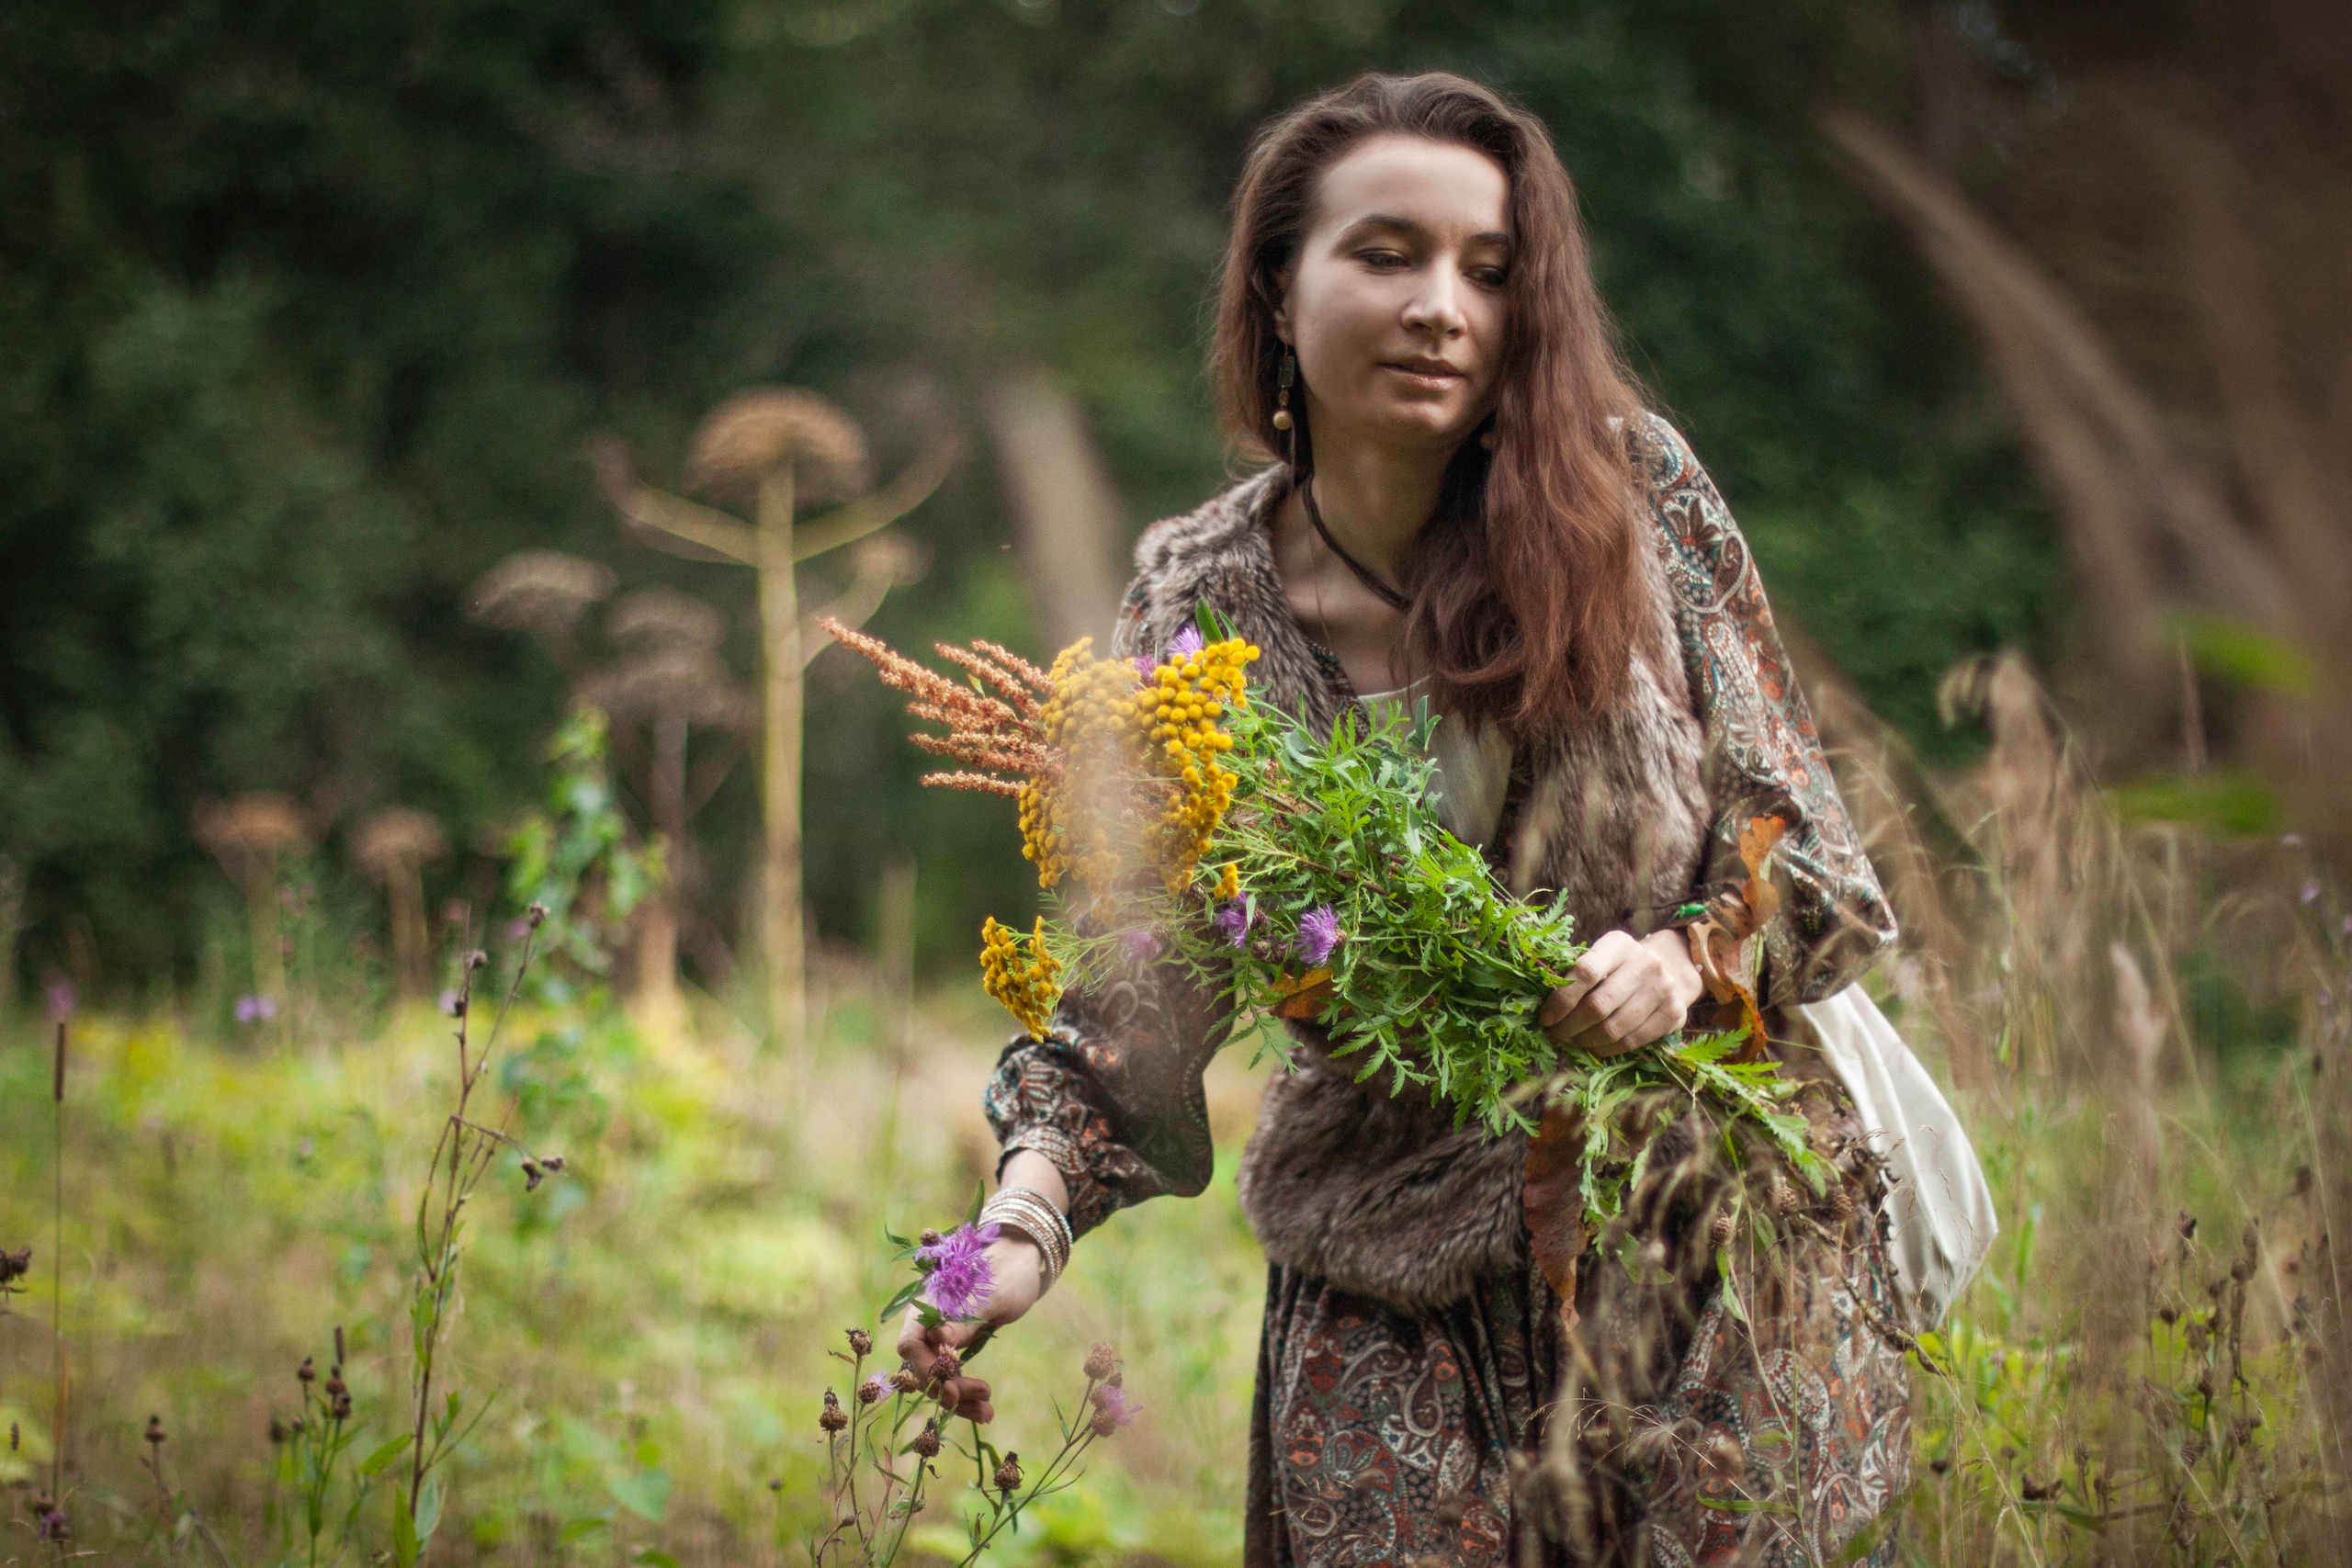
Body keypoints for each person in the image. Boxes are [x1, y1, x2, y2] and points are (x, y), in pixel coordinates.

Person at [898, 72, 1912, 1567]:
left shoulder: (1636, 503)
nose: (1443, 304)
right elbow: (1135, 996)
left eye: (1490, 272)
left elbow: (1809, 854)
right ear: (1278, 290)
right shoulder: (1193, 611)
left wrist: (1688, 963)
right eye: (1387, 254)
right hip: (1388, 1257)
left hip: (1692, 1229)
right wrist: (1020, 1230)